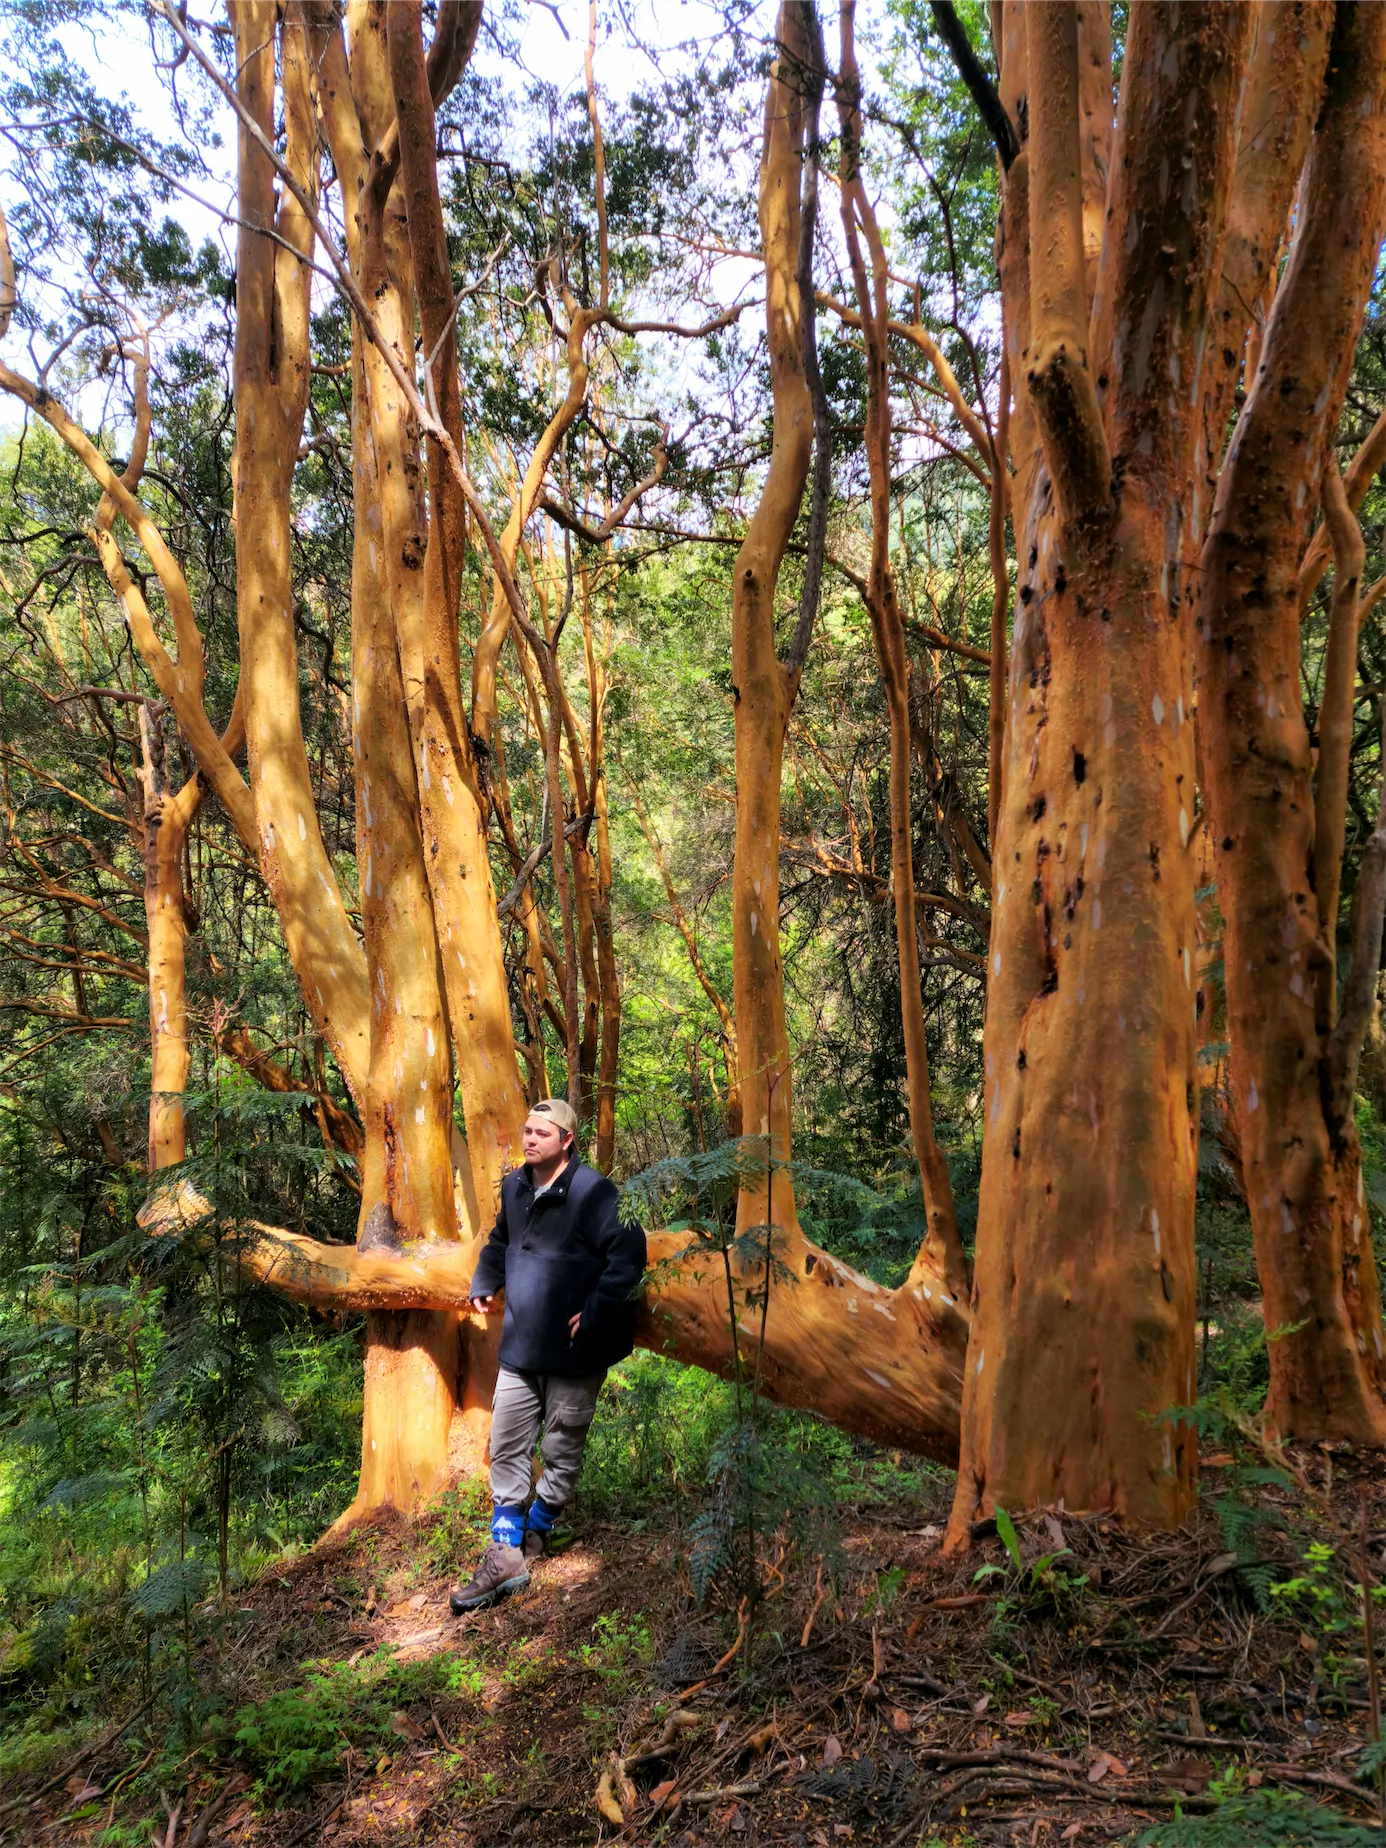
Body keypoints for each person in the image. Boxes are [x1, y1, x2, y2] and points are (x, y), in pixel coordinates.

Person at [449, 1097, 646, 1614]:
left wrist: (598, 1310)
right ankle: (505, 1553)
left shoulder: (595, 1192)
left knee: (561, 1452)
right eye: (527, 1131)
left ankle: (537, 1529)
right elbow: (500, 1240)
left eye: (542, 1132)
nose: (530, 1139)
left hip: (576, 1353)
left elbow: (629, 1254)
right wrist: (486, 1278)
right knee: (505, 1444)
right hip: (522, 1346)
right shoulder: (515, 1186)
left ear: (567, 1140)